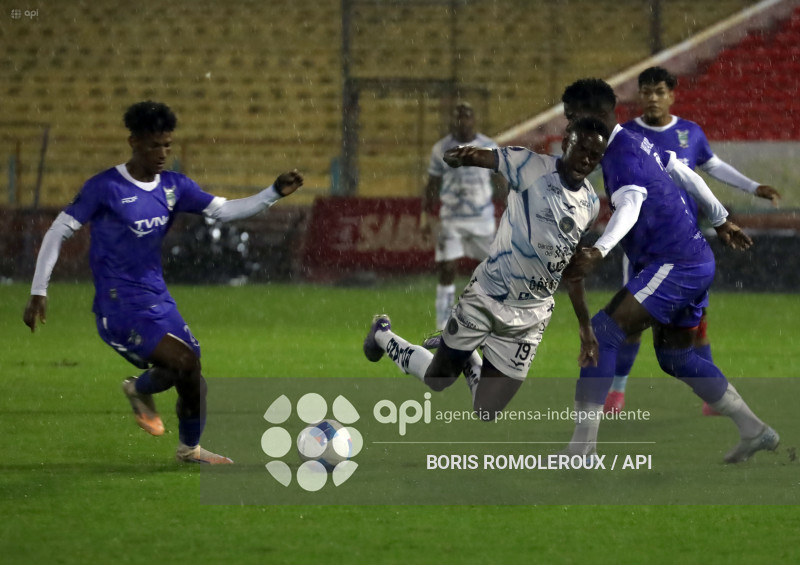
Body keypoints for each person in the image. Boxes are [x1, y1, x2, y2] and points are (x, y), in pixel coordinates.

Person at [22, 101, 303, 464]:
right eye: (155, 145)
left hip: (157, 296)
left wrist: (273, 193)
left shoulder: (174, 186)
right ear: (134, 142)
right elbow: (58, 231)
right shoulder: (105, 187)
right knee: (183, 361)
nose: (163, 153)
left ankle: (186, 445)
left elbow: (223, 210)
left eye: (168, 145)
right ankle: (140, 391)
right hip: (118, 305)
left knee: (192, 371)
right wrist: (38, 290)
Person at [559, 78, 779, 463]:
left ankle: (581, 450)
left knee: (606, 332)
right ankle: (754, 430)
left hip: (674, 263)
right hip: (693, 259)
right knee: (675, 358)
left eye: (570, 119)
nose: (568, 129)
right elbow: (682, 171)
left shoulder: (620, 157)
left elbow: (629, 202)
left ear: (586, 117)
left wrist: (599, 250)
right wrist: (721, 218)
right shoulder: (631, 138)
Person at [365, 117, 609, 420]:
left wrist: (585, 328)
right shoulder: (529, 165)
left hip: (531, 317)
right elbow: (489, 157)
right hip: (488, 296)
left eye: (595, 155)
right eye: (581, 148)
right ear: (567, 140)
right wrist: (464, 156)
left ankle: (467, 358)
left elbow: (572, 269)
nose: (586, 158)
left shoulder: (590, 203)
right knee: (437, 379)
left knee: (486, 412)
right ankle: (382, 336)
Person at [604, 66, 782, 415]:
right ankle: (617, 393)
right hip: (642, 247)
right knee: (632, 322)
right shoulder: (623, 135)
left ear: (672, 94)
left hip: (685, 244)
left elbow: (712, 167)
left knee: (696, 323)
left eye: (658, 91)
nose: (652, 98)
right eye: (645, 91)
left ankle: (713, 398)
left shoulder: (689, 133)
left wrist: (752, 187)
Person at [420, 102, 507, 330]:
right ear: (453, 120)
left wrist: (509, 211)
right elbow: (432, 185)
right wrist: (425, 216)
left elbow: (500, 181)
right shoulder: (441, 149)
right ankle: (442, 324)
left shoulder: (488, 146)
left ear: (474, 120)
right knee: (447, 268)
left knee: (493, 270)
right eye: (459, 117)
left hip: (482, 220)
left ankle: (492, 318)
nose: (463, 121)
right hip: (451, 220)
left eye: (467, 116)